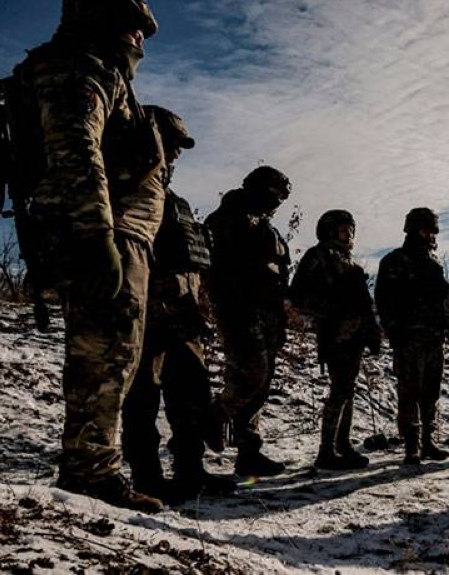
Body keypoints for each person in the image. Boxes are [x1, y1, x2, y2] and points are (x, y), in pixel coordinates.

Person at [10, 0, 164, 512]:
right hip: (104, 234)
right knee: (105, 355)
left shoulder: (95, 68)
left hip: (118, 234)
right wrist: (97, 237)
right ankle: (90, 474)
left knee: (114, 356)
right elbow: (76, 149)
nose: (140, 42)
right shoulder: (79, 66)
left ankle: (92, 465)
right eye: (134, 30)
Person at [119, 105, 235, 503]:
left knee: (192, 396)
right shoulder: (127, 192)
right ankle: (147, 478)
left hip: (184, 313)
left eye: (178, 148)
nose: (175, 155)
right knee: (142, 398)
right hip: (146, 313)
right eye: (170, 145)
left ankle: (191, 471)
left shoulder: (176, 202)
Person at [205, 166, 292, 477]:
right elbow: (224, 269)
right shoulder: (227, 218)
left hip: (268, 312)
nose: (279, 201)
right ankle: (215, 415)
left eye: (283, 197)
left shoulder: (266, 226)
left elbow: (279, 272)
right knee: (251, 374)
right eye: (276, 194)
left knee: (261, 384)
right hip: (239, 308)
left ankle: (248, 452)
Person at [290, 209, 381, 470]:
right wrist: (330, 308)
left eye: (350, 229)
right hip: (334, 334)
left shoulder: (350, 262)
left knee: (348, 391)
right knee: (340, 390)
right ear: (330, 231)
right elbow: (298, 296)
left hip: (356, 335)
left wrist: (372, 333)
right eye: (343, 229)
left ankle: (342, 445)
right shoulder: (317, 256)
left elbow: (365, 304)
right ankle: (326, 451)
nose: (348, 234)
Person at [375, 208, 449, 465]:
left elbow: (442, 300)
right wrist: (396, 331)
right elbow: (384, 301)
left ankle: (428, 442)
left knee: (431, 393)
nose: (430, 235)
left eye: (432, 231)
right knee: (409, 393)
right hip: (408, 339)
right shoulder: (395, 261)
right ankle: (411, 445)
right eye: (425, 230)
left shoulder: (434, 262)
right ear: (412, 229)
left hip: (434, 338)